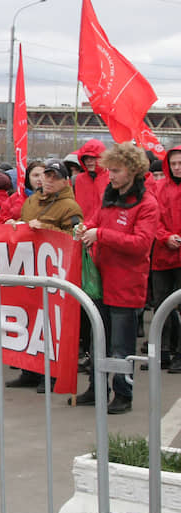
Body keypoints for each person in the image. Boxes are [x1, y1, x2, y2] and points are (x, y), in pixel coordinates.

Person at [75, 143, 159, 414]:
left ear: (132, 172)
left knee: (121, 347)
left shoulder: (147, 204)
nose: (109, 174)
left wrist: (100, 235)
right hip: (101, 281)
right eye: (109, 169)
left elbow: (141, 244)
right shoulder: (109, 198)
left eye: (116, 170)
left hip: (126, 285)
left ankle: (123, 393)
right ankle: (96, 388)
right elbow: (95, 220)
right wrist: (85, 228)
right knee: (97, 340)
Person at [4, 160, 83, 392]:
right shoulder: (31, 201)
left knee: (50, 326)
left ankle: (50, 375)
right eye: (45, 176)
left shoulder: (70, 206)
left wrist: (46, 230)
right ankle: (29, 370)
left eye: (53, 177)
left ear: (64, 181)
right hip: (30, 271)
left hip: (53, 275)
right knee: (29, 323)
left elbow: (74, 240)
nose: (47, 180)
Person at [149, 146, 181, 373]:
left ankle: (179, 353)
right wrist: (165, 237)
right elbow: (153, 219)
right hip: (162, 255)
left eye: (180, 163)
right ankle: (162, 352)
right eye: (174, 164)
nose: (177, 167)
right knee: (161, 306)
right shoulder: (159, 188)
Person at [73, 139, 108, 224]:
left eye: (93, 157)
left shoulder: (112, 178)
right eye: (86, 158)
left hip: (103, 229)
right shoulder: (76, 180)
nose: (89, 161)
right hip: (81, 229)